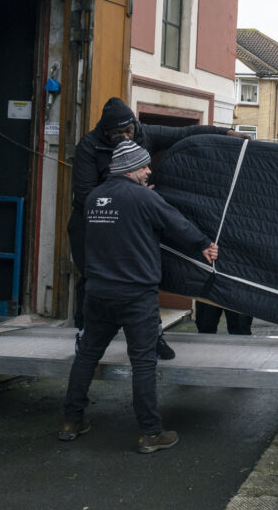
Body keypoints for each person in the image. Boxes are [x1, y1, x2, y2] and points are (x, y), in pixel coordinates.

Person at [59, 140, 220, 453]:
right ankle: (150, 433)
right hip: (136, 295)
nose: (148, 171)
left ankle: (71, 421)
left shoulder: (94, 198)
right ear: (130, 168)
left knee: (87, 355)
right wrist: (203, 244)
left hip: (98, 293)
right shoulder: (145, 198)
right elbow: (177, 223)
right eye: (144, 166)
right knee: (143, 363)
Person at [68, 97, 246, 359]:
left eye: (128, 131)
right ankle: (84, 334)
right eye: (117, 135)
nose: (125, 138)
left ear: (134, 126)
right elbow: (86, 195)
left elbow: (186, 133)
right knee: (92, 276)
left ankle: (155, 336)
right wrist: (133, 197)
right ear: (105, 133)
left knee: (144, 276)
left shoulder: (144, 133)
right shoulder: (88, 147)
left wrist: (227, 133)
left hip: (130, 221)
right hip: (94, 221)